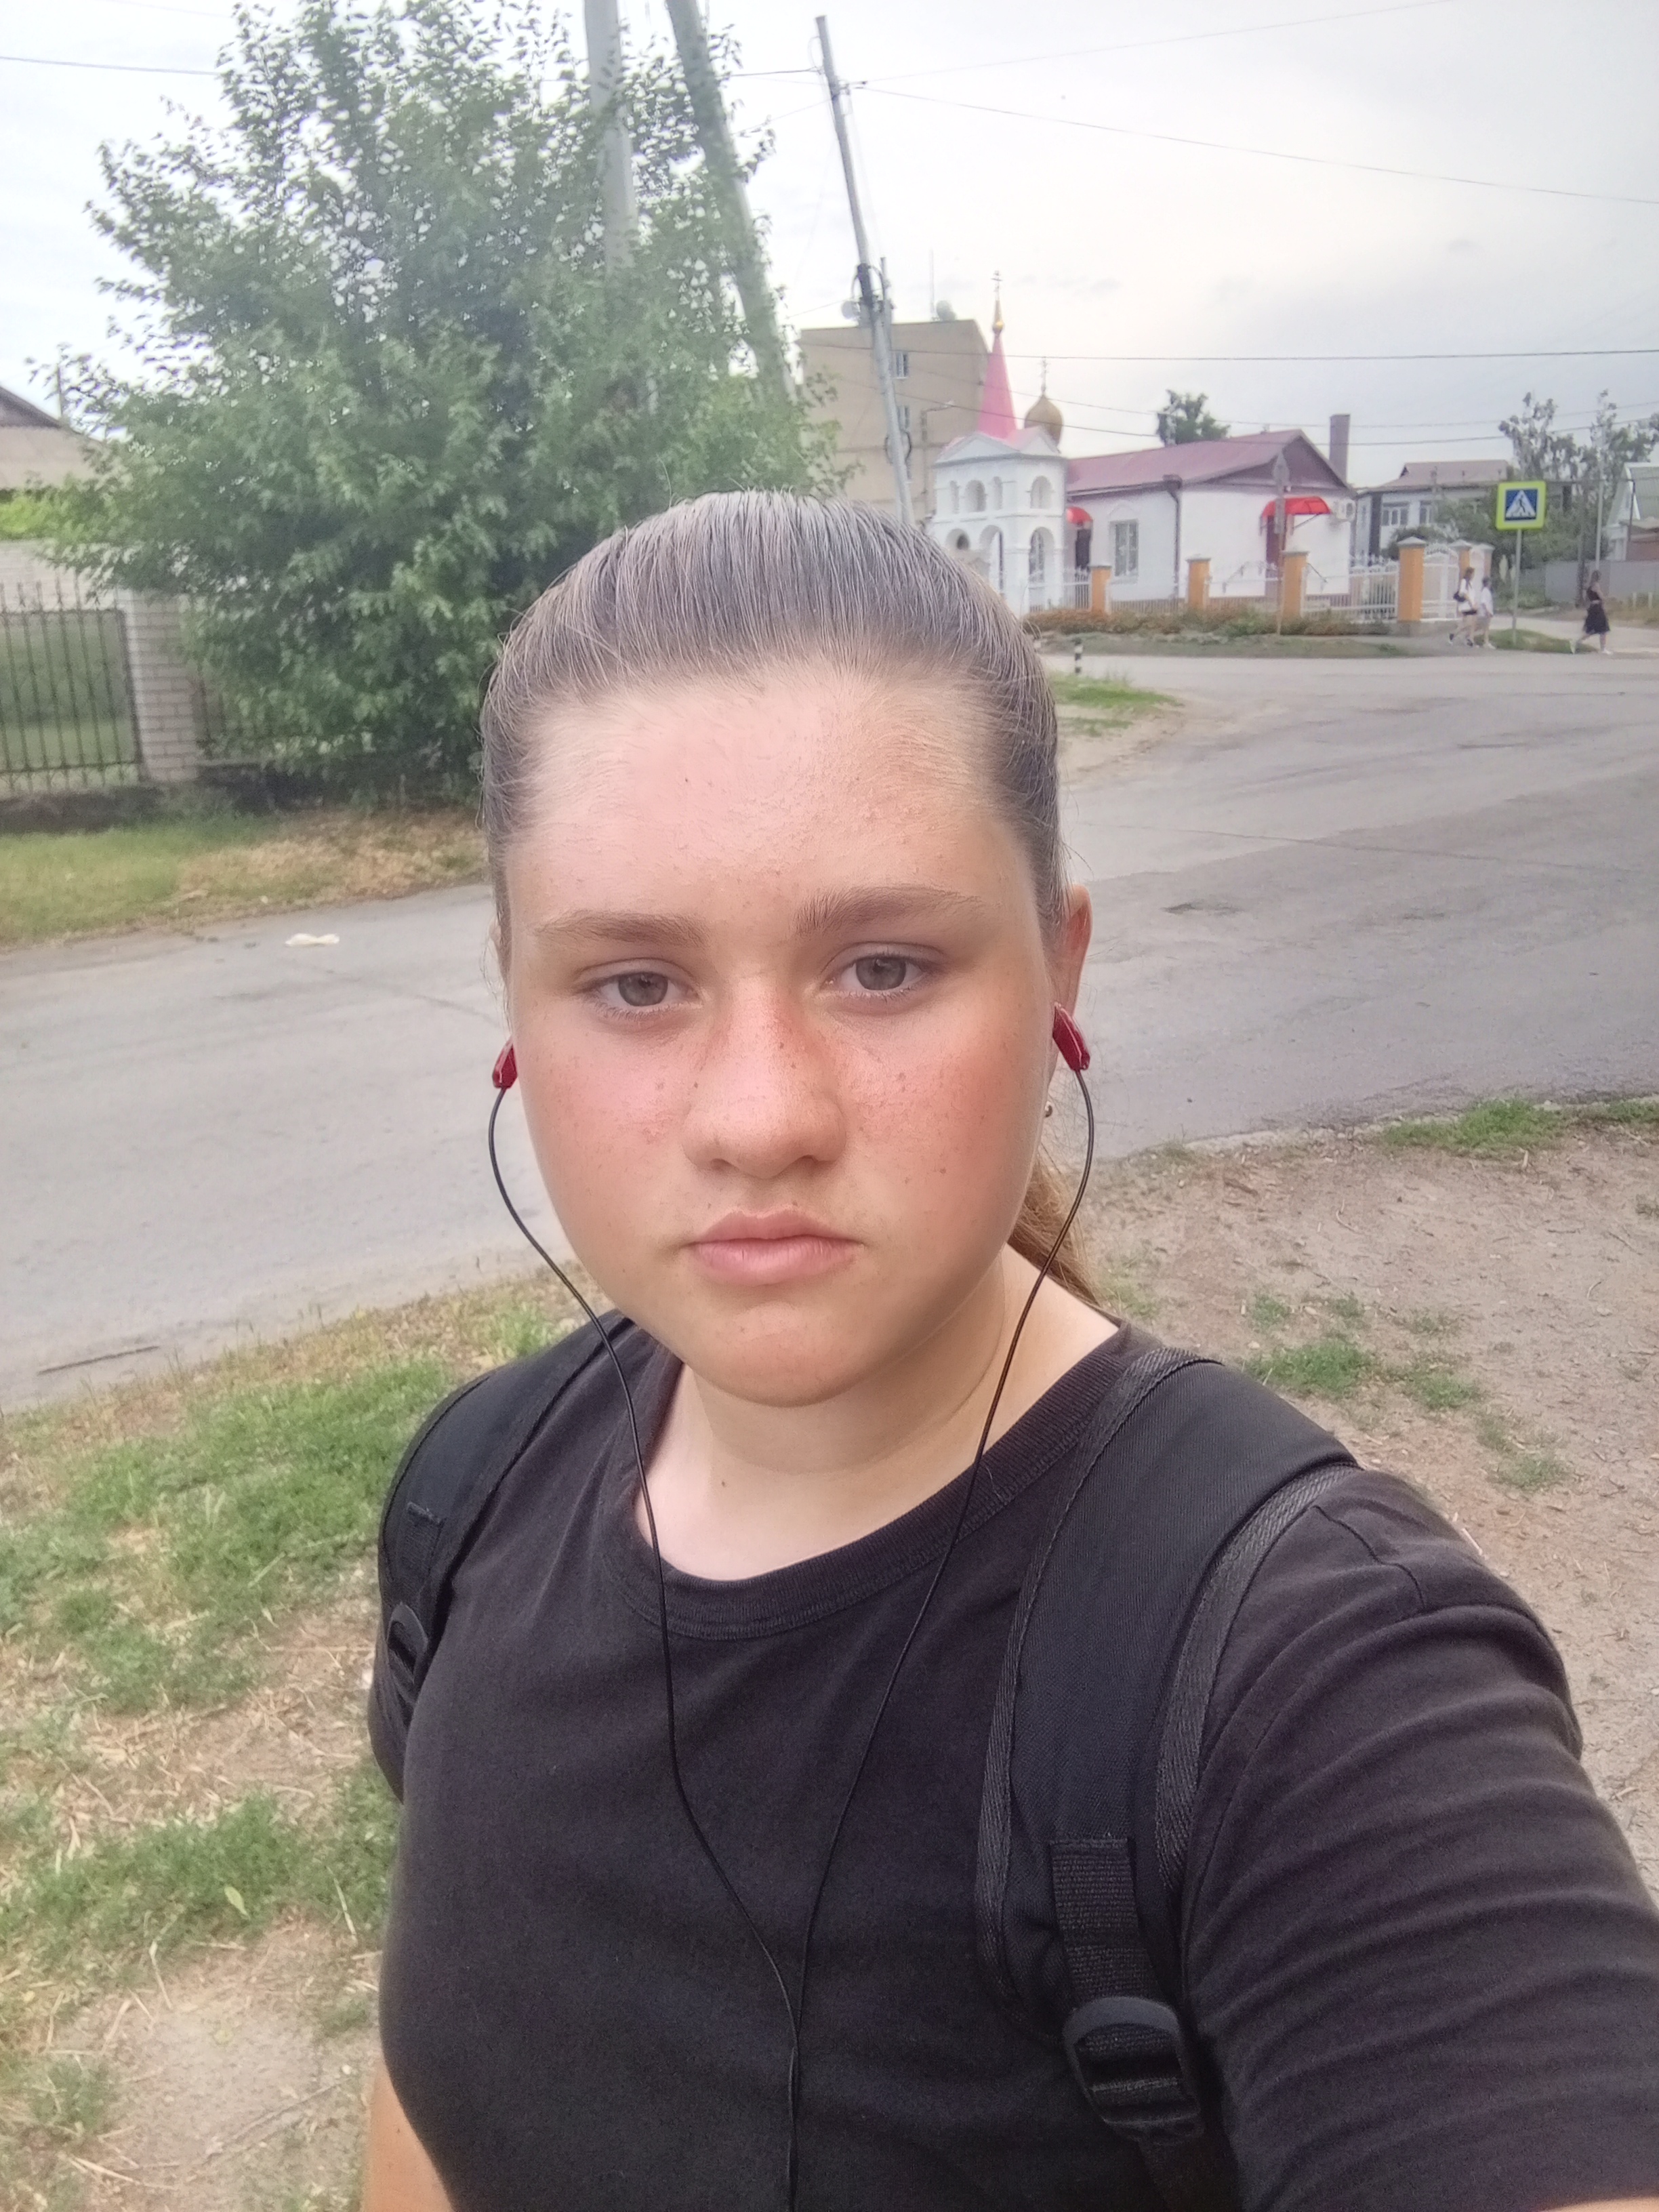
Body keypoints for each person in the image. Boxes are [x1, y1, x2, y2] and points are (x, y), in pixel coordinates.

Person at [363, 493, 1659, 2212]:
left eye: (882, 966)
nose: (759, 1116)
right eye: (635, 985)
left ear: (1058, 973)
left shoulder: (1306, 1685)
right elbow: (432, 2112)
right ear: (514, 1004)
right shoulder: (472, 1502)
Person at [1574, 572, 1613, 653]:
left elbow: (1589, 599)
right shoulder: (1596, 585)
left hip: (1592, 608)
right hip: (1598, 609)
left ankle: (1578, 642)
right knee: (1603, 629)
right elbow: (1601, 597)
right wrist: (1606, 599)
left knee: (1592, 629)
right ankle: (1603, 649)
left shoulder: (1589, 587)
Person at [1452, 564, 1477, 644]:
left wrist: (1475, 603)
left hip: (1471, 606)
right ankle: (1454, 634)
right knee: (1467, 623)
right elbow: (1463, 593)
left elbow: (1472, 595)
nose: (1473, 576)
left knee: (1472, 623)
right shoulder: (1464, 582)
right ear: (1469, 574)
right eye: (1473, 574)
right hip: (1466, 606)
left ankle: (1470, 639)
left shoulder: (1471, 583)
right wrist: (1471, 603)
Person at [1475, 569, 1496, 647]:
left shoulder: (1487, 591)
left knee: (1484, 628)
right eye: (1490, 582)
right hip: (1485, 613)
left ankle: (1485, 641)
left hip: (1487, 612)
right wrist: (1487, 612)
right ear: (1487, 583)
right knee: (1485, 628)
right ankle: (1486, 642)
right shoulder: (1485, 591)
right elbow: (1484, 602)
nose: (1491, 583)